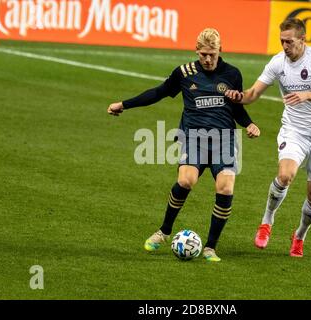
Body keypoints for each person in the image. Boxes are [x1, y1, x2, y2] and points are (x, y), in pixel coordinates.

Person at [108, 28, 260, 262]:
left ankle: (210, 247)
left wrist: (249, 124)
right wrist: (124, 104)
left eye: (212, 54)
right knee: (186, 180)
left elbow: (236, 107)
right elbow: (158, 93)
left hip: (225, 140)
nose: (208, 59)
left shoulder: (232, 74)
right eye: (203, 54)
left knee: (226, 188)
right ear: (196, 51)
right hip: (194, 137)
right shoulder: (184, 73)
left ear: (221, 50)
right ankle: (164, 231)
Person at [225, 18, 311, 257]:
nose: (285, 46)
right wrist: (238, 96)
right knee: (285, 175)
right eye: (282, 41)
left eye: (289, 41)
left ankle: (299, 235)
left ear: (303, 40)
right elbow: (253, 93)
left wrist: (307, 94)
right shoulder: (278, 62)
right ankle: (267, 222)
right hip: (294, 130)